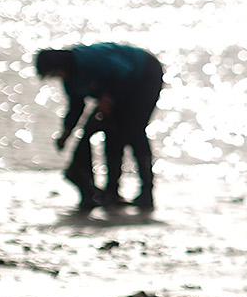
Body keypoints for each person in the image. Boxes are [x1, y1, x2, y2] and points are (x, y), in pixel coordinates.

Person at [35, 43, 164, 211]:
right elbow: (76, 108)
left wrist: (108, 97)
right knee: (112, 135)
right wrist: (66, 134)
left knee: (134, 130)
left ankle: (147, 191)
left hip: (145, 73)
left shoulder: (87, 60)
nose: (54, 77)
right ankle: (112, 191)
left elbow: (124, 72)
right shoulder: (70, 79)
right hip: (122, 84)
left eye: (52, 73)